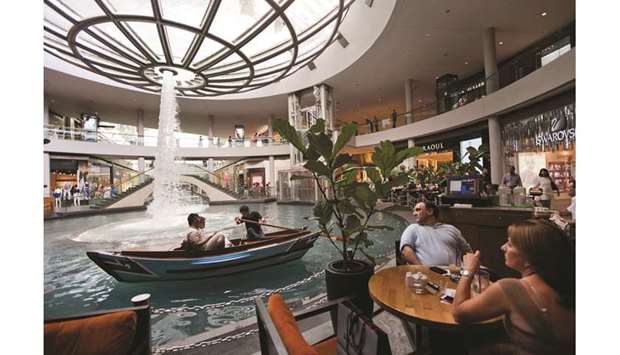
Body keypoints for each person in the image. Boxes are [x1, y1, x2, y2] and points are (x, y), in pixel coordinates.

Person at [452, 219, 575, 354]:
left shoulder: (510, 288)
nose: (503, 247)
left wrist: (468, 270)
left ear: (529, 258)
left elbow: (459, 313)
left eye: (510, 245)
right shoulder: (565, 283)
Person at [399, 201, 472, 266]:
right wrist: (422, 269)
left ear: (430, 211)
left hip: (453, 274)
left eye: (418, 210)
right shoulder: (413, 228)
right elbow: (406, 251)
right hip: (426, 275)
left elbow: (468, 252)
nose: (414, 213)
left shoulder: (451, 229)